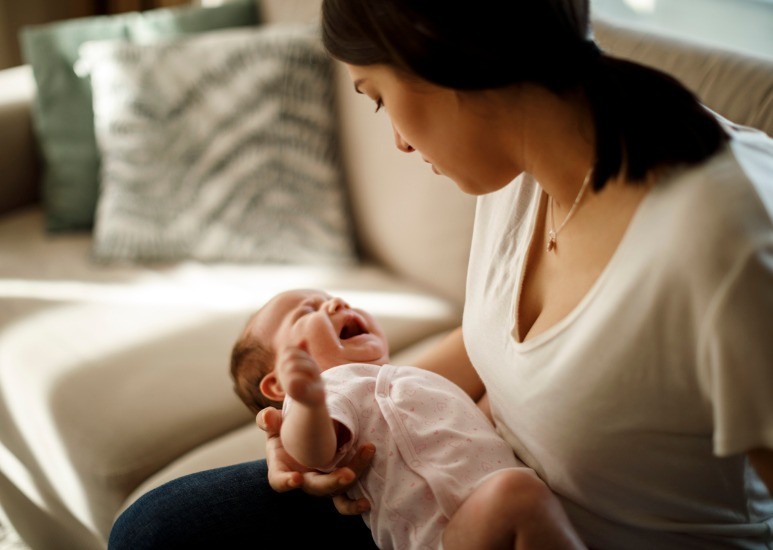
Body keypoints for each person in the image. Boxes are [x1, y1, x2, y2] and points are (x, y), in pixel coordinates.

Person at [109, 0, 773, 547]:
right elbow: (516, 351)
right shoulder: (516, 163)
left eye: (375, 96)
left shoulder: (722, 240)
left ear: (434, 53)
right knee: (157, 528)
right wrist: (327, 416)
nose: (397, 140)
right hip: (463, 497)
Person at [230, 288, 585, 549]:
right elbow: (316, 453)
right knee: (518, 495)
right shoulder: (330, 389)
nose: (337, 303)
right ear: (278, 383)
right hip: (440, 536)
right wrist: (306, 403)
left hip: (488, 521)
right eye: (307, 311)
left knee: (521, 499)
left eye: (335, 298)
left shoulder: (410, 380)